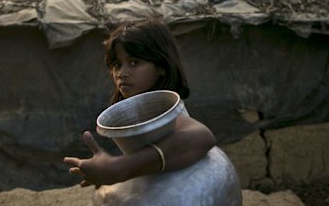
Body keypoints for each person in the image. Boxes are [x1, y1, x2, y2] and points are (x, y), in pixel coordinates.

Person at [63, 19, 216, 188]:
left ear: (161, 67)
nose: (121, 73)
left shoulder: (163, 111)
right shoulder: (134, 111)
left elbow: (203, 136)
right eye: (116, 65)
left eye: (134, 62)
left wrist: (119, 168)